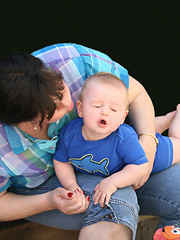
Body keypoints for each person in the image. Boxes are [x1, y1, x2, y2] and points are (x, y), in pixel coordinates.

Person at [0, 43, 179, 240]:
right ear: (26, 120)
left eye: (61, 90)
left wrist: (147, 140)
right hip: (44, 187)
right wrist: (50, 200)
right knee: (112, 201)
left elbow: (135, 93)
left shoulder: (70, 60)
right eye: (54, 109)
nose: (69, 104)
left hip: (110, 156)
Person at [53, 72, 180, 208]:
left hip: (155, 153)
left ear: (123, 117)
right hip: (131, 143)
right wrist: (70, 184)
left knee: (177, 142)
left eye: (113, 109)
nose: (105, 112)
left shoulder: (124, 138)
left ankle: (175, 117)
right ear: (80, 108)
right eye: (97, 106)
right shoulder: (69, 134)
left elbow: (140, 166)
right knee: (136, 134)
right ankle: (167, 119)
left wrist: (113, 182)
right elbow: (61, 161)